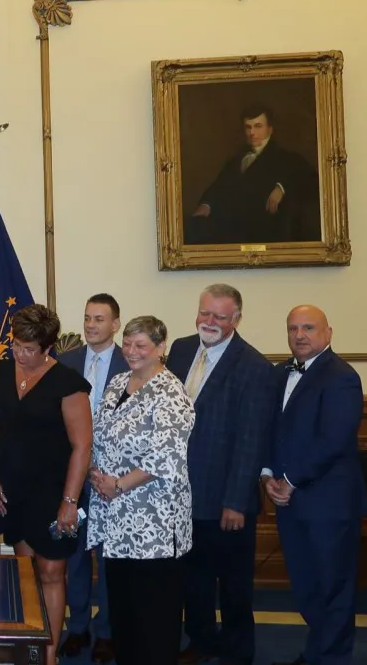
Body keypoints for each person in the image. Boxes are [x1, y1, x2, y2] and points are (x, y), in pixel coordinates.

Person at [167, 285, 275, 665]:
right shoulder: (180, 349)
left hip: (227, 501)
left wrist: (235, 502)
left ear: (236, 320)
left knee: (233, 587)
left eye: (219, 317)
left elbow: (251, 440)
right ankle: (201, 641)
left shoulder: (255, 367)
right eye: (204, 313)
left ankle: (236, 652)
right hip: (181, 495)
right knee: (192, 581)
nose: (209, 322)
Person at [0, 304, 92, 665]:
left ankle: (48, 654)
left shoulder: (68, 383)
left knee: (51, 571)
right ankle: (28, 646)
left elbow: (81, 446)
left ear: (48, 348)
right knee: (25, 572)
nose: (20, 353)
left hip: (53, 492)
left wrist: (70, 501)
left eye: (29, 348)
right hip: (11, 491)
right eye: (17, 344)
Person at [87, 316, 195, 665]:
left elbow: (166, 455)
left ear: (161, 348)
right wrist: (95, 473)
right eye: (128, 344)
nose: (132, 352)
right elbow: (99, 436)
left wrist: (117, 484)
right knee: (124, 615)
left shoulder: (171, 392)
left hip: (156, 526)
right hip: (117, 523)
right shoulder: (118, 382)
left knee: (154, 621)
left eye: (141, 345)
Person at [264, 305, 367, 665]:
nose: (300, 335)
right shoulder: (279, 374)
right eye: (293, 328)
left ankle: (333, 658)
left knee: (333, 587)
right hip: (289, 502)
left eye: (308, 327)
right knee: (306, 587)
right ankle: (318, 653)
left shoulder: (341, 376)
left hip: (330, 503)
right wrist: (267, 475)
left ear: (328, 333)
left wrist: (290, 481)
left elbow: (334, 440)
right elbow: (269, 432)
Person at [56, 293, 127, 663]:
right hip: (75, 477)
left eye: (99, 319)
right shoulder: (64, 363)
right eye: (86, 318)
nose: (91, 325)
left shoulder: (130, 363)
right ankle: (79, 628)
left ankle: (107, 632)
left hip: (116, 481)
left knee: (109, 559)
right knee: (77, 558)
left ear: (115, 324)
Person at [187, 104, 319, 245]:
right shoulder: (235, 160)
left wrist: (281, 188)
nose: (252, 133)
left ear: (270, 129)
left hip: (265, 231)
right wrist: (207, 204)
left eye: (258, 126)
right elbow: (219, 186)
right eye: (248, 127)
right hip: (232, 229)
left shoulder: (286, 158)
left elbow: (309, 178)